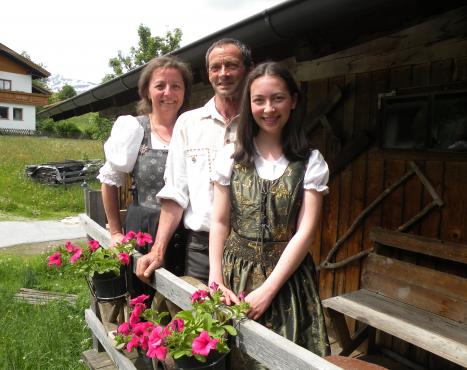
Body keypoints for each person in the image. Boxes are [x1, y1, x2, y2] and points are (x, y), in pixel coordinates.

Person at [209, 61, 331, 368]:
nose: (268, 108)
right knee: (236, 357)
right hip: (234, 276)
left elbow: (305, 232)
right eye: (258, 100)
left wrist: (268, 289)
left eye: (277, 98)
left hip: (288, 281)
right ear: (248, 105)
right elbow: (220, 221)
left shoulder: (310, 162)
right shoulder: (230, 157)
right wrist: (215, 279)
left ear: (293, 100)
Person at [136, 38, 252, 284]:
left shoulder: (260, 122)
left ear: (248, 70)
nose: (223, 74)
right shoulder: (189, 123)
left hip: (252, 249)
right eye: (215, 67)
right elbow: (176, 192)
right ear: (208, 74)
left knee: (248, 320)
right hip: (200, 248)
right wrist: (158, 249)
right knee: (200, 319)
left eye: (231, 65)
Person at [97, 56, 193, 299]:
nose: (168, 92)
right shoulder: (135, 129)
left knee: (184, 303)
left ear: (184, 92)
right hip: (144, 229)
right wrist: (116, 232)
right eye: (160, 85)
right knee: (145, 299)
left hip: (187, 231)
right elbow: (109, 180)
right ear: (147, 91)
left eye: (176, 86)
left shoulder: (193, 129)